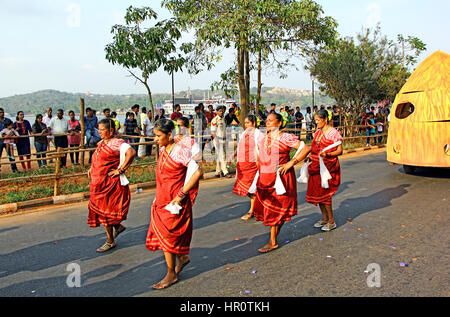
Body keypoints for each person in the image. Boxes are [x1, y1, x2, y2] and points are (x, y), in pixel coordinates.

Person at [146, 119, 203, 290]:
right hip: (162, 200)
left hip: (174, 203)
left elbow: (198, 172)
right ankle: (182, 259)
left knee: (168, 237)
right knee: (166, 236)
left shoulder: (179, 152)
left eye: (158, 136)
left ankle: (171, 273)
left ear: (169, 135)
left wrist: (181, 195)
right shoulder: (164, 149)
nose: (155, 139)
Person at [254, 113, 310, 253]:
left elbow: (305, 148)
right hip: (267, 179)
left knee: (278, 207)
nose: (267, 123)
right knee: (273, 209)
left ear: (279, 123)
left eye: (271, 121)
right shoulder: (264, 138)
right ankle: (273, 237)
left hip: (282, 178)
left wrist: (291, 163)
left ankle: (272, 241)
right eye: (266, 121)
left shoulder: (285, 137)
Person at [87, 118, 136, 252]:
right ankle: (118, 227)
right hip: (98, 183)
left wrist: (120, 170)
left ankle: (110, 241)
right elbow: (98, 158)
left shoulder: (116, 143)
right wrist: (92, 168)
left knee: (105, 215)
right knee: (102, 211)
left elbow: (131, 152)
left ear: (111, 131)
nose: (100, 132)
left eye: (103, 130)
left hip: (109, 184)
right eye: (99, 130)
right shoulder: (102, 143)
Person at [305, 109, 343, 232]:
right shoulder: (318, 133)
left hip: (328, 167)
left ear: (325, 119)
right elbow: (314, 149)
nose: (317, 123)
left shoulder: (333, 133)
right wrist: (310, 157)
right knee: (318, 193)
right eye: (315, 120)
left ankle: (331, 221)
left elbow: (339, 150)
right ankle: (325, 218)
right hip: (316, 166)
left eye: (318, 120)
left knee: (325, 194)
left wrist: (328, 155)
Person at [231, 115, 263, 220]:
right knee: (248, 189)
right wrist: (234, 154)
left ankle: (252, 210)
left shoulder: (259, 135)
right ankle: (257, 207)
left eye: (248, 123)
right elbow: (240, 145)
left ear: (254, 123)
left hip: (253, 165)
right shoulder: (244, 134)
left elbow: (263, 149)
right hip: (243, 165)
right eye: (245, 123)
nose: (246, 125)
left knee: (252, 188)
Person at [211, 106, 230, 178]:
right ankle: (225, 171)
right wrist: (216, 140)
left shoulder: (224, 119)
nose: (221, 112)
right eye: (220, 111)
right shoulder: (215, 120)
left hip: (224, 139)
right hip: (218, 139)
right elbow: (213, 132)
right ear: (217, 112)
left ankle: (218, 171)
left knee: (219, 156)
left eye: (222, 111)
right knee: (222, 156)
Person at [0, 108, 19, 173]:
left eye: (2, 112)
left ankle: (14, 169)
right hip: (0, 141)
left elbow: (13, 129)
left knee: (11, 155)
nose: (1, 113)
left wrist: (9, 135)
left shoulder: (8, 120)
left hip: (9, 141)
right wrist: (3, 136)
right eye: (0, 112)